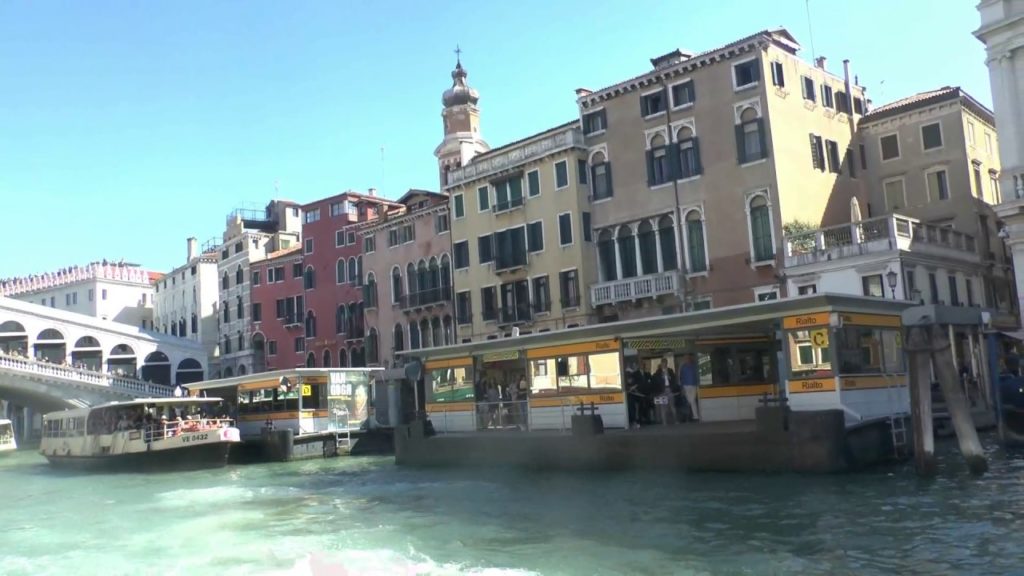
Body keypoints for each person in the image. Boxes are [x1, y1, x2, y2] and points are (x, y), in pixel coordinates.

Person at [680, 353, 701, 422]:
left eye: (688, 358)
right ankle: (694, 416)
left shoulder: (694, 366)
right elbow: (681, 377)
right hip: (686, 386)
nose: (687, 360)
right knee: (692, 401)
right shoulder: (683, 367)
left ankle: (692, 416)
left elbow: (697, 375)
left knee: (691, 400)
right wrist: (682, 387)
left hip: (694, 385)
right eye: (685, 358)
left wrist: (698, 384)